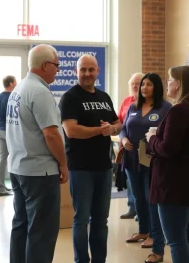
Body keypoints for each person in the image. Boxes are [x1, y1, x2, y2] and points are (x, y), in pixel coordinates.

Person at [6, 44, 69, 263]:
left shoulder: (19, 88)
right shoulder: (40, 91)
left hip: (18, 168)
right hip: (39, 173)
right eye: (56, 65)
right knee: (41, 231)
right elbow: (51, 134)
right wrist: (63, 164)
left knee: (21, 225)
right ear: (45, 65)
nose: (58, 70)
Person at [59, 54, 122, 263]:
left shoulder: (104, 97)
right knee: (81, 219)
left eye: (91, 70)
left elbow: (117, 122)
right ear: (76, 72)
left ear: (98, 71)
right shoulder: (70, 97)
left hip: (104, 167)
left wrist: (112, 128)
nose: (87, 74)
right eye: (83, 70)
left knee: (101, 220)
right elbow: (71, 130)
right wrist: (100, 131)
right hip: (80, 168)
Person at [146, 66, 189, 263]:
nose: (167, 84)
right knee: (188, 234)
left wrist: (152, 138)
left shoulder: (179, 111)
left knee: (175, 239)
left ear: (179, 84)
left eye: (169, 80)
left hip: (173, 185)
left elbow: (168, 149)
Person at [120, 73, 172, 262]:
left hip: (151, 159)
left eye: (148, 85)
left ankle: (155, 236)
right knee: (138, 197)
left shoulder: (165, 108)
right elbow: (124, 127)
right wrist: (124, 138)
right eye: (143, 85)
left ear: (157, 87)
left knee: (151, 199)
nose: (144, 88)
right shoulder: (133, 106)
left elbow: (168, 132)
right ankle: (142, 230)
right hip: (132, 158)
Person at [118, 72, 144, 220]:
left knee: (143, 183)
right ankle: (132, 208)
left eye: (138, 83)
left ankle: (143, 212)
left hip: (144, 149)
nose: (135, 86)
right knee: (131, 180)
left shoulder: (150, 103)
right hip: (127, 148)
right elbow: (120, 122)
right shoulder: (126, 101)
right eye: (132, 83)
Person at [0, 75, 17, 196]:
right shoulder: (13, 97)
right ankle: (15, 186)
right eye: (15, 82)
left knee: (2, 159)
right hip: (10, 131)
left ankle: (0, 187)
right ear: (11, 83)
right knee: (14, 158)